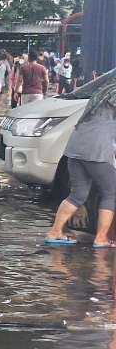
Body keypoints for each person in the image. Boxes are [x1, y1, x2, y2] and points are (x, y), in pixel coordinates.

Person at [45, 78, 116, 247]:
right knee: (111, 192)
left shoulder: (100, 95)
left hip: (75, 147)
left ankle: (55, 232)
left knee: (78, 194)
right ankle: (101, 238)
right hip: (96, 150)